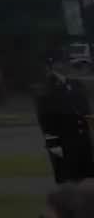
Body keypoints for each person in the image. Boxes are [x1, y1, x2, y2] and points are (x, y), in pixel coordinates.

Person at [38, 50, 92, 183]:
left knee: (86, 181)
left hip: (82, 140)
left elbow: (86, 111)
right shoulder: (46, 89)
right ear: (55, 65)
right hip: (65, 142)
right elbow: (46, 121)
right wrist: (54, 147)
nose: (69, 65)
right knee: (70, 181)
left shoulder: (76, 84)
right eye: (65, 62)